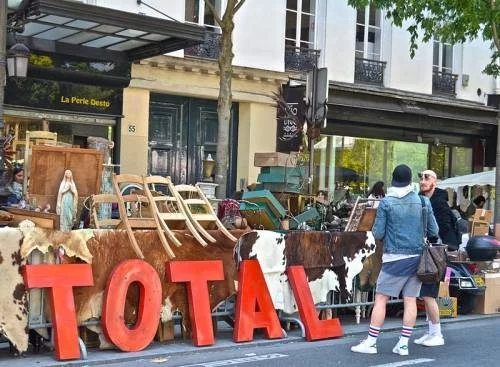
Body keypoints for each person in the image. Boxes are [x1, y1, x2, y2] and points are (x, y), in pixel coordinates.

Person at [351, 164, 438, 356]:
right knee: (410, 301)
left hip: (394, 259)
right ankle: (404, 344)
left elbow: (379, 233)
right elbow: (434, 231)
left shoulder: (387, 202)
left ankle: (372, 342)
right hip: (417, 257)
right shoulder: (423, 202)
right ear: (410, 181)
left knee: (381, 298)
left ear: (393, 179)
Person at [416, 169, 460, 347]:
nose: (423, 180)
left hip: (437, 254)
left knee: (428, 294)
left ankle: (437, 334)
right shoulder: (423, 200)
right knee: (426, 294)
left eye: (427, 177)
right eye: (421, 177)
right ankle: (431, 331)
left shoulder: (439, 203)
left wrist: (441, 248)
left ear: (436, 182)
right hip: (429, 252)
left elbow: (442, 231)